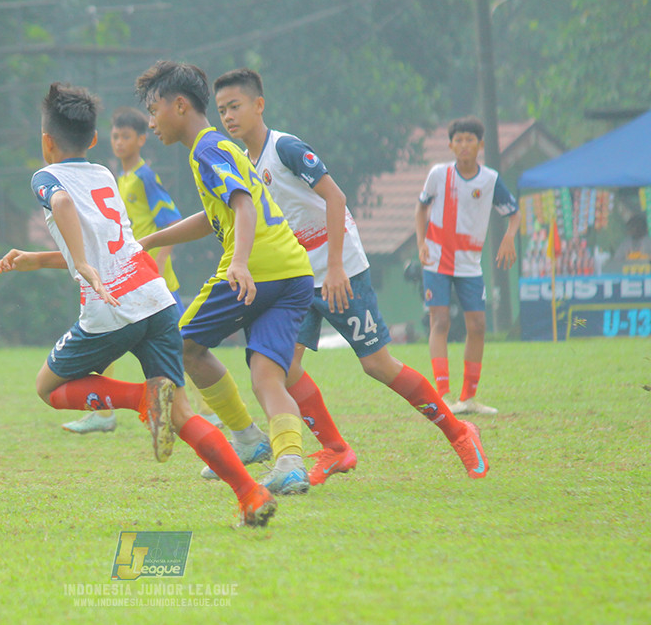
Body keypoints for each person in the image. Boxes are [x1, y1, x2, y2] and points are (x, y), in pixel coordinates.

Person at [0, 82, 276, 527]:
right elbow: (105, 245)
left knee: (47, 388)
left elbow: (65, 207)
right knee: (181, 413)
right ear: (92, 140)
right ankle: (250, 492)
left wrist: (82, 264)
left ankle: (140, 401)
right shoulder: (106, 175)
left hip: (112, 308)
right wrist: (42, 260)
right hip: (156, 298)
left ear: (47, 142)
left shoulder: (47, 179)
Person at [209, 68, 488, 482]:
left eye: (235, 106)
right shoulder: (245, 163)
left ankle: (460, 431)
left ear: (259, 105)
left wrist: (337, 265)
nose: (228, 117)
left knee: (377, 364)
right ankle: (335, 450)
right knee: (283, 367)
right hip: (298, 277)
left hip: (341, 268)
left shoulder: (285, 147)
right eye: (221, 110)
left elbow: (334, 196)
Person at [134, 61, 315, 495]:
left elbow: (242, 206)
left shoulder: (206, 150)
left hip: (259, 270)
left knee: (182, 345)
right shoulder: (221, 149)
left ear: (180, 106)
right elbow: (212, 216)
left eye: (154, 110)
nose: (151, 121)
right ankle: (290, 462)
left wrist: (239, 262)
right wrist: (151, 240)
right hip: (294, 272)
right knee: (267, 376)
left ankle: (247, 439)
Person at [62, 107, 221, 434]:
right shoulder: (117, 179)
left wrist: (159, 266)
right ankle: (104, 413)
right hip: (129, 276)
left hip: (153, 280)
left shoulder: (146, 177)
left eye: (126, 136)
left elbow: (172, 220)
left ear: (142, 139)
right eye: (115, 136)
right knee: (107, 333)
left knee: (182, 348)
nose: (119, 142)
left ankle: (211, 412)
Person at [415, 116, 521, 415]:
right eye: (458, 140)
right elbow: (421, 207)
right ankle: (443, 394)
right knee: (441, 322)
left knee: (478, 325)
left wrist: (509, 238)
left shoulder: (490, 180)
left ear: (481, 145)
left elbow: (513, 213)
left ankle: (468, 397)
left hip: (470, 264)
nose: (464, 145)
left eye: (470, 140)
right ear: (450, 145)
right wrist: (422, 243)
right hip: (436, 259)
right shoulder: (439, 174)